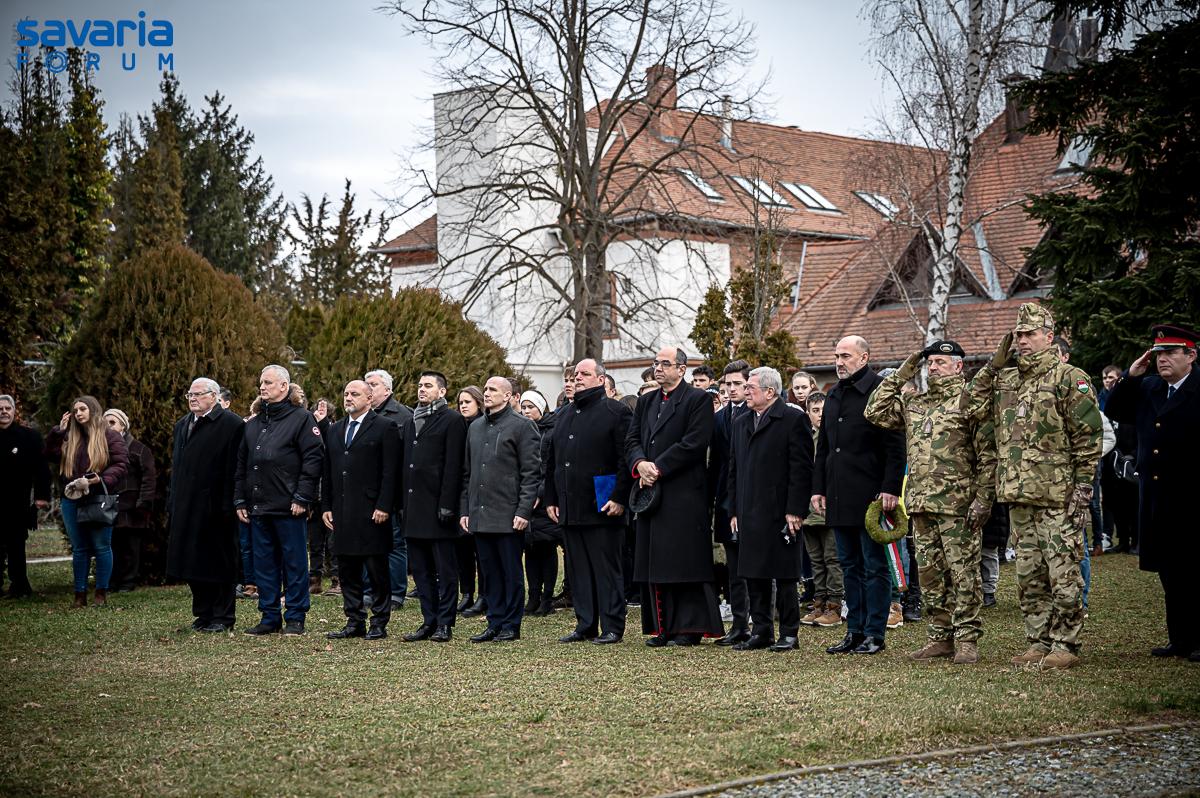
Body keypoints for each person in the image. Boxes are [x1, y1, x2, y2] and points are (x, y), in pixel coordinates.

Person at [964, 304, 1102, 669]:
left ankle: (1065, 643)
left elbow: (1088, 438)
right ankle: (1038, 641)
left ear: (1048, 337)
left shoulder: (1069, 378)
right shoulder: (1006, 380)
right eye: (1018, 335)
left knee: (1063, 572)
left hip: (1058, 496)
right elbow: (969, 405)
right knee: (1029, 576)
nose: (1022, 340)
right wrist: (993, 364)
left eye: (1029, 334)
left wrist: (1083, 488)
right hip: (1019, 495)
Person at [865, 340, 997, 665]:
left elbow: (988, 457)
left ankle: (966, 639)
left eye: (941, 362)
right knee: (930, 575)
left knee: (963, 574)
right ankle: (940, 637)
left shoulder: (970, 401)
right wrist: (903, 371)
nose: (934, 368)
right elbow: (874, 411)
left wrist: (983, 499)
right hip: (921, 504)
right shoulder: (916, 403)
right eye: (930, 363)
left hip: (958, 506)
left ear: (958, 366)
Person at [1105, 325, 1200, 662]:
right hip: (1157, 495)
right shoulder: (1149, 387)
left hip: (1192, 497)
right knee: (1170, 570)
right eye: (1159, 353)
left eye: (1171, 352)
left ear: (1191, 355)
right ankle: (1180, 639)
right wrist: (1129, 377)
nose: (1162, 359)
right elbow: (1114, 410)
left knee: (1194, 569)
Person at [812, 336, 905, 656]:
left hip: (870, 495)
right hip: (839, 495)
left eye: (846, 356)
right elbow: (824, 448)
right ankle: (854, 630)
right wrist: (819, 488)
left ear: (864, 358)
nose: (839, 362)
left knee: (873, 566)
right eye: (836, 356)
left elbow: (896, 445)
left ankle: (874, 633)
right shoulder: (834, 394)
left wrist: (890, 487)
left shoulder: (880, 391)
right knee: (849, 565)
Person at [626, 346, 723, 647]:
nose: (658, 368)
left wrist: (658, 467)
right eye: (656, 363)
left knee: (683, 562)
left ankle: (689, 628)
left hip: (683, 493)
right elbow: (632, 439)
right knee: (656, 561)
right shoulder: (647, 401)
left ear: (681, 369)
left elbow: (695, 442)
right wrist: (640, 464)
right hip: (651, 492)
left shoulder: (697, 400)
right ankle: (664, 627)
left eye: (665, 364)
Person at [545, 358, 633, 645]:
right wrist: (551, 498)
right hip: (570, 505)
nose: (578, 378)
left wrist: (619, 497)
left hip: (603, 505)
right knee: (578, 570)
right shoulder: (564, 414)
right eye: (575, 375)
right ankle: (585, 624)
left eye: (584, 374)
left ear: (600, 379)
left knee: (606, 569)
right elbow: (553, 461)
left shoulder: (616, 412)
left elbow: (625, 460)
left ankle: (612, 626)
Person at [727, 367, 814, 652]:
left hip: (781, 511)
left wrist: (795, 509)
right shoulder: (741, 421)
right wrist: (734, 509)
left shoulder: (792, 419)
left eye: (750, 387)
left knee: (785, 575)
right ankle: (761, 631)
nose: (745, 391)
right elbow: (734, 468)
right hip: (749, 510)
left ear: (770, 391)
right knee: (754, 573)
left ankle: (789, 633)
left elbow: (802, 469)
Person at [235, 365, 324, 636]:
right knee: (264, 564)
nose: (262, 387)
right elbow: (242, 464)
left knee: (294, 563)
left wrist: (303, 497)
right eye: (261, 383)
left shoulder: (301, 419)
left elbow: (313, 459)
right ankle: (269, 616)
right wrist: (240, 500)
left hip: (289, 507)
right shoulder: (254, 423)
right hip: (258, 506)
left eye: (268, 383)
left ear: (284, 386)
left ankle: (295, 616)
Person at [460, 376, 541, 642]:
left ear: (508, 396)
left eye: (493, 389)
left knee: (510, 573)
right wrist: (465, 510)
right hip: (480, 513)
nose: (487, 393)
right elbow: (467, 474)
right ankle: (494, 622)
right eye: (485, 389)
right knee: (489, 573)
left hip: (508, 514)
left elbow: (531, 474)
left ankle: (511, 624)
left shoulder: (523, 426)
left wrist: (523, 511)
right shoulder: (475, 427)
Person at [166, 378, 245, 631]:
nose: (193, 398)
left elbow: (235, 468)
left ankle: (222, 616)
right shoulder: (183, 425)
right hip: (186, 506)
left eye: (198, 394)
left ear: (214, 396)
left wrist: (230, 503)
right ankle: (204, 613)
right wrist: (173, 501)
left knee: (219, 564)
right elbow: (178, 467)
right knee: (192, 562)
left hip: (217, 508)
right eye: (190, 394)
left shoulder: (231, 424)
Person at [322, 380, 398, 640]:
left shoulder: (384, 427)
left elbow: (390, 471)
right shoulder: (335, 429)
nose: (348, 398)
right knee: (347, 569)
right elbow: (328, 470)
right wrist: (326, 506)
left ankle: (379, 621)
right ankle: (354, 620)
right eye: (346, 393)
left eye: (354, 394)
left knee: (376, 570)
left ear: (369, 398)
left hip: (372, 510)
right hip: (342, 510)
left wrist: (384, 505)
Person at [400, 371, 467, 643]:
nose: (422, 389)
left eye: (428, 385)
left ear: (442, 391)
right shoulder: (410, 421)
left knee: (445, 570)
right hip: (413, 508)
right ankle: (429, 620)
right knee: (421, 571)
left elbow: (454, 465)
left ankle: (445, 623)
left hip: (439, 508)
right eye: (420, 385)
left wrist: (448, 505)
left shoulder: (452, 420)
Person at [45, 396, 129, 608]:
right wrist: (57, 433)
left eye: (83, 409)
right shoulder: (69, 437)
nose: (78, 413)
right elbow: (50, 456)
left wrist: (100, 479)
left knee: (101, 546)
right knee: (79, 548)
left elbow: (120, 464)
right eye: (75, 410)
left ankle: (100, 593)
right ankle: (79, 595)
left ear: (93, 409)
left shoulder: (109, 435)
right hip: (71, 499)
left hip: (98, 499)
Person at [708, 359, 752, 646]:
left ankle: (761, 622)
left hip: (751, 499)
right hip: (725, 499)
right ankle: (738, 624)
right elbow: (715, 463)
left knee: (754, 567)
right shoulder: (719, 418)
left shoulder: (757, 414)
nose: (732, 389)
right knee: (734, 567)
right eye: (728, 384)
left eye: (738, 384)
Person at [365, 369, 412, 611]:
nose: (368, 388)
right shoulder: (362, 415)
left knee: (394, 543)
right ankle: (369, 590)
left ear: (387, 389)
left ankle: (395, 592)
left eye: (373, 384)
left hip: (392, 490)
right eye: (366, 384)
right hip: (365, 491)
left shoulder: (403, 416)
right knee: (367, 541)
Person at [798, 393, 843, 628]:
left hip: (828, 509)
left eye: (823, 410)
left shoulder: (835, 438)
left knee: (832, 558)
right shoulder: (806, 438)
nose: (820, 415)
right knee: (816, 560)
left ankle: (835, 605)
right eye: (815, 411)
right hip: (808, 511)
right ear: (808, 414)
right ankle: (819, 601)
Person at [0, 395, 51, 598]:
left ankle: (19, 586)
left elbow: (42, 469)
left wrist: (41, 496)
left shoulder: (29, 437)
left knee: (16, 543)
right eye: (0, 408)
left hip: (18, 500)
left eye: (7, 408)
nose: (4, 412)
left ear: (14, 411)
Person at [103, 409, 157, 593]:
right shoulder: (101, 449)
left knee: (130, 547)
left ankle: (128, 581)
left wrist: (143, 503)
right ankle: (111, 581)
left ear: (123, 426)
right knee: (110, 546)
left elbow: (148, 478)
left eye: (112, 422)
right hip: (108, 505)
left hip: (132, 507)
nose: (108, 427)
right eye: (105, 423)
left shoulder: (138, 449)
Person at [520, 390, 561, 618]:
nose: (526, 411)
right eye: (523, 407)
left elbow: (550, 466)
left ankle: (547, 597)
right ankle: (533, 595)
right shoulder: (522, 430)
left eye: (531, 407)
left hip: (545, 500)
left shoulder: (552, 430)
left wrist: (540, 493)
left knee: (546, 547)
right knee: (530, 548)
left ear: (541, 407)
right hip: (526, 497)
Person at [1099, 365, 1139, 554]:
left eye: (1112, 378)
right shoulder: (1102, 402)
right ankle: (1122, 539)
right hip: (1110, 459)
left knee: (1133, 502)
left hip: (1130, 458)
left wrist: (1133, 456)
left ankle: (1136, 541)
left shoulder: (1132, 403)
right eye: (1105, 378)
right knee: (1114, 502)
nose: (1108, 381)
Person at [455, 386, 487, 617]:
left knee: (480, 550)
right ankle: (466, 592)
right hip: (460, 492)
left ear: (478, 403)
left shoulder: (483, 426)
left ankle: (484, 595)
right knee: (462, 549)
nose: (463, 406)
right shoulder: (457, 426)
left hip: (479, 492)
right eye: (460, 403)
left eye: (468, 402)